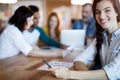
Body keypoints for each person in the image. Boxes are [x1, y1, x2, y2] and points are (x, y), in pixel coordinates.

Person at [50, 0, 120, 79]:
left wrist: (68, 74)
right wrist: (88, 76)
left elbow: (110, 73)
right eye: (97, 12)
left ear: (117, 11)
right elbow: (78, 60)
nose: (101, 16)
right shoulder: (101, 37)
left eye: (107, 10)